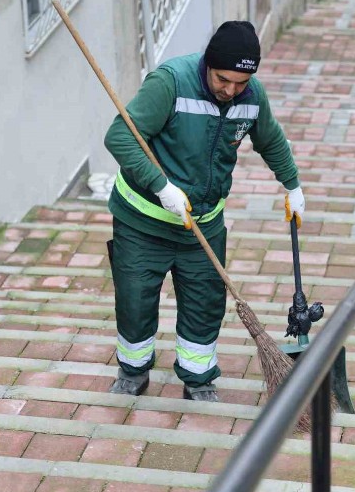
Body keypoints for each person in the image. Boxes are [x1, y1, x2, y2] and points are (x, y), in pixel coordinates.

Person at [104, 21, 305, 402]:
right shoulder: (170, 83)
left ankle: (197, 378)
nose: (231, 90)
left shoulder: (251, 96)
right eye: (223, 79)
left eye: (241, 82)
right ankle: (133, 371)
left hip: (203, 224)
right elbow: (120, 136)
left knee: (205, 302)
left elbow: (271, 138)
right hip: (142, 221)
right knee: (135, 298)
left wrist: (292, 184)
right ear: (208, 64)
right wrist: (161, 186)